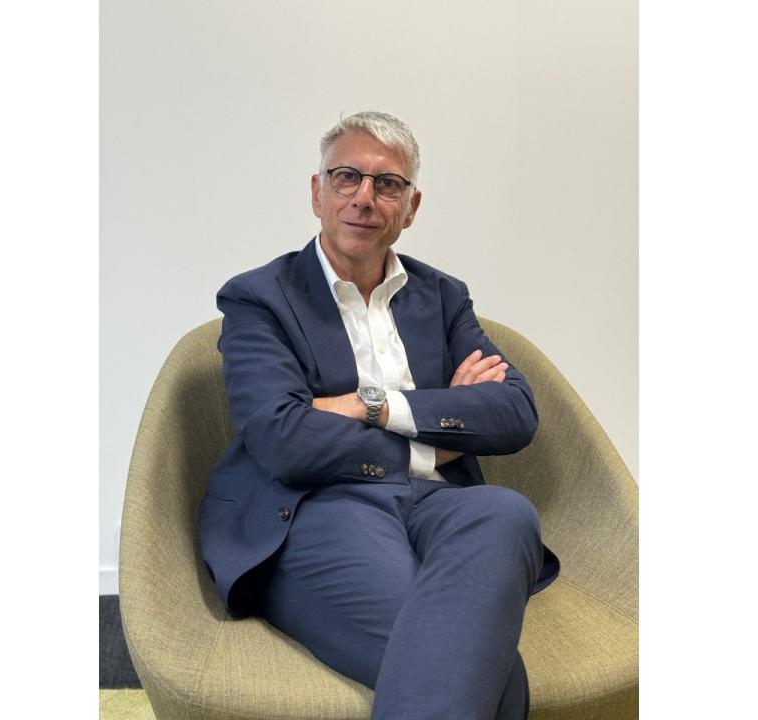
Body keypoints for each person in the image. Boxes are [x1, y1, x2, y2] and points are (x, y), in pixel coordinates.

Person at [198, 111, 559, 720]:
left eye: (387, 184)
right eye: (347, 177)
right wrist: (438, 433)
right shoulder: (259, 297)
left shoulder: (443, 296)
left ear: (411, 207)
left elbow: (514, 411)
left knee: (506, 511)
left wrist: (374, 405)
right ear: (318, 192)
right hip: (319, 505)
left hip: (442, 504)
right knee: (491, 675)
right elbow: (283, 439)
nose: (364, 198)